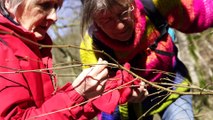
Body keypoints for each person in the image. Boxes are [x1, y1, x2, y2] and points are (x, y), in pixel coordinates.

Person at [0, 0, 148, 119]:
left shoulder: (35, 48)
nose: (54, 17)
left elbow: (49, 111)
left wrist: (118, 90)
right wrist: (76, 94)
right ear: (8, 3)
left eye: (56, 7)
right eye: (44, 5)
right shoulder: (3, 49)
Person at [80, 0, 213, 120]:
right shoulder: (92, 46)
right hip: (133, 107)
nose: (120, 26)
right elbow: (100, 97)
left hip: (171, 86)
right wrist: (122, 94)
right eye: (107, 20)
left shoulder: (154, 5)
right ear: (95, 22)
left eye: (123, 13)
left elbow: (200, 13)